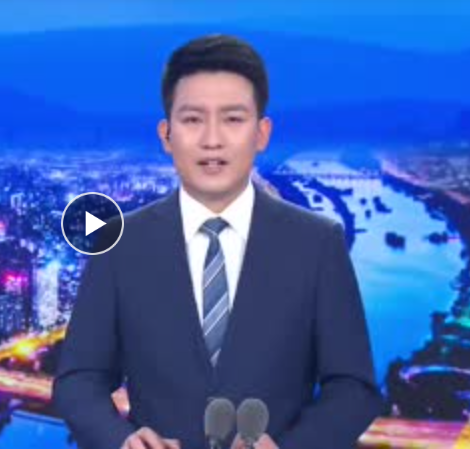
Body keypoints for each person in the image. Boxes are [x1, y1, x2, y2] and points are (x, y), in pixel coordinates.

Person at [52, 34, 383, 449]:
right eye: (193, 120)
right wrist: (122, 440)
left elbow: (353, 388)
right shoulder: (119, 243)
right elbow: (79, 379)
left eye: (233, 119)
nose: (212, 139)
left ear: (261, 133)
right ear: (166, 134)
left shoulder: (317, 243)